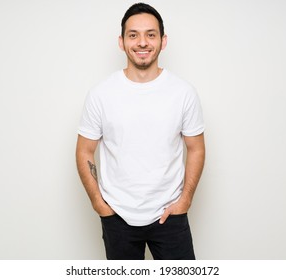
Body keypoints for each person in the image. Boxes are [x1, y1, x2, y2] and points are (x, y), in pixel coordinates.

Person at [76, 3, 205, 260]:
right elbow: (85, 150)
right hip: (118, 216)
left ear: (163, 40)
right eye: (133, 35)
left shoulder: (183, 93)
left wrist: (185, 200)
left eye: (151, 34)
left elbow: (196, 148)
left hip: (170, 215)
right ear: (121, 42)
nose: (142, 42)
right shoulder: (101, 94)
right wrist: (99, 204)